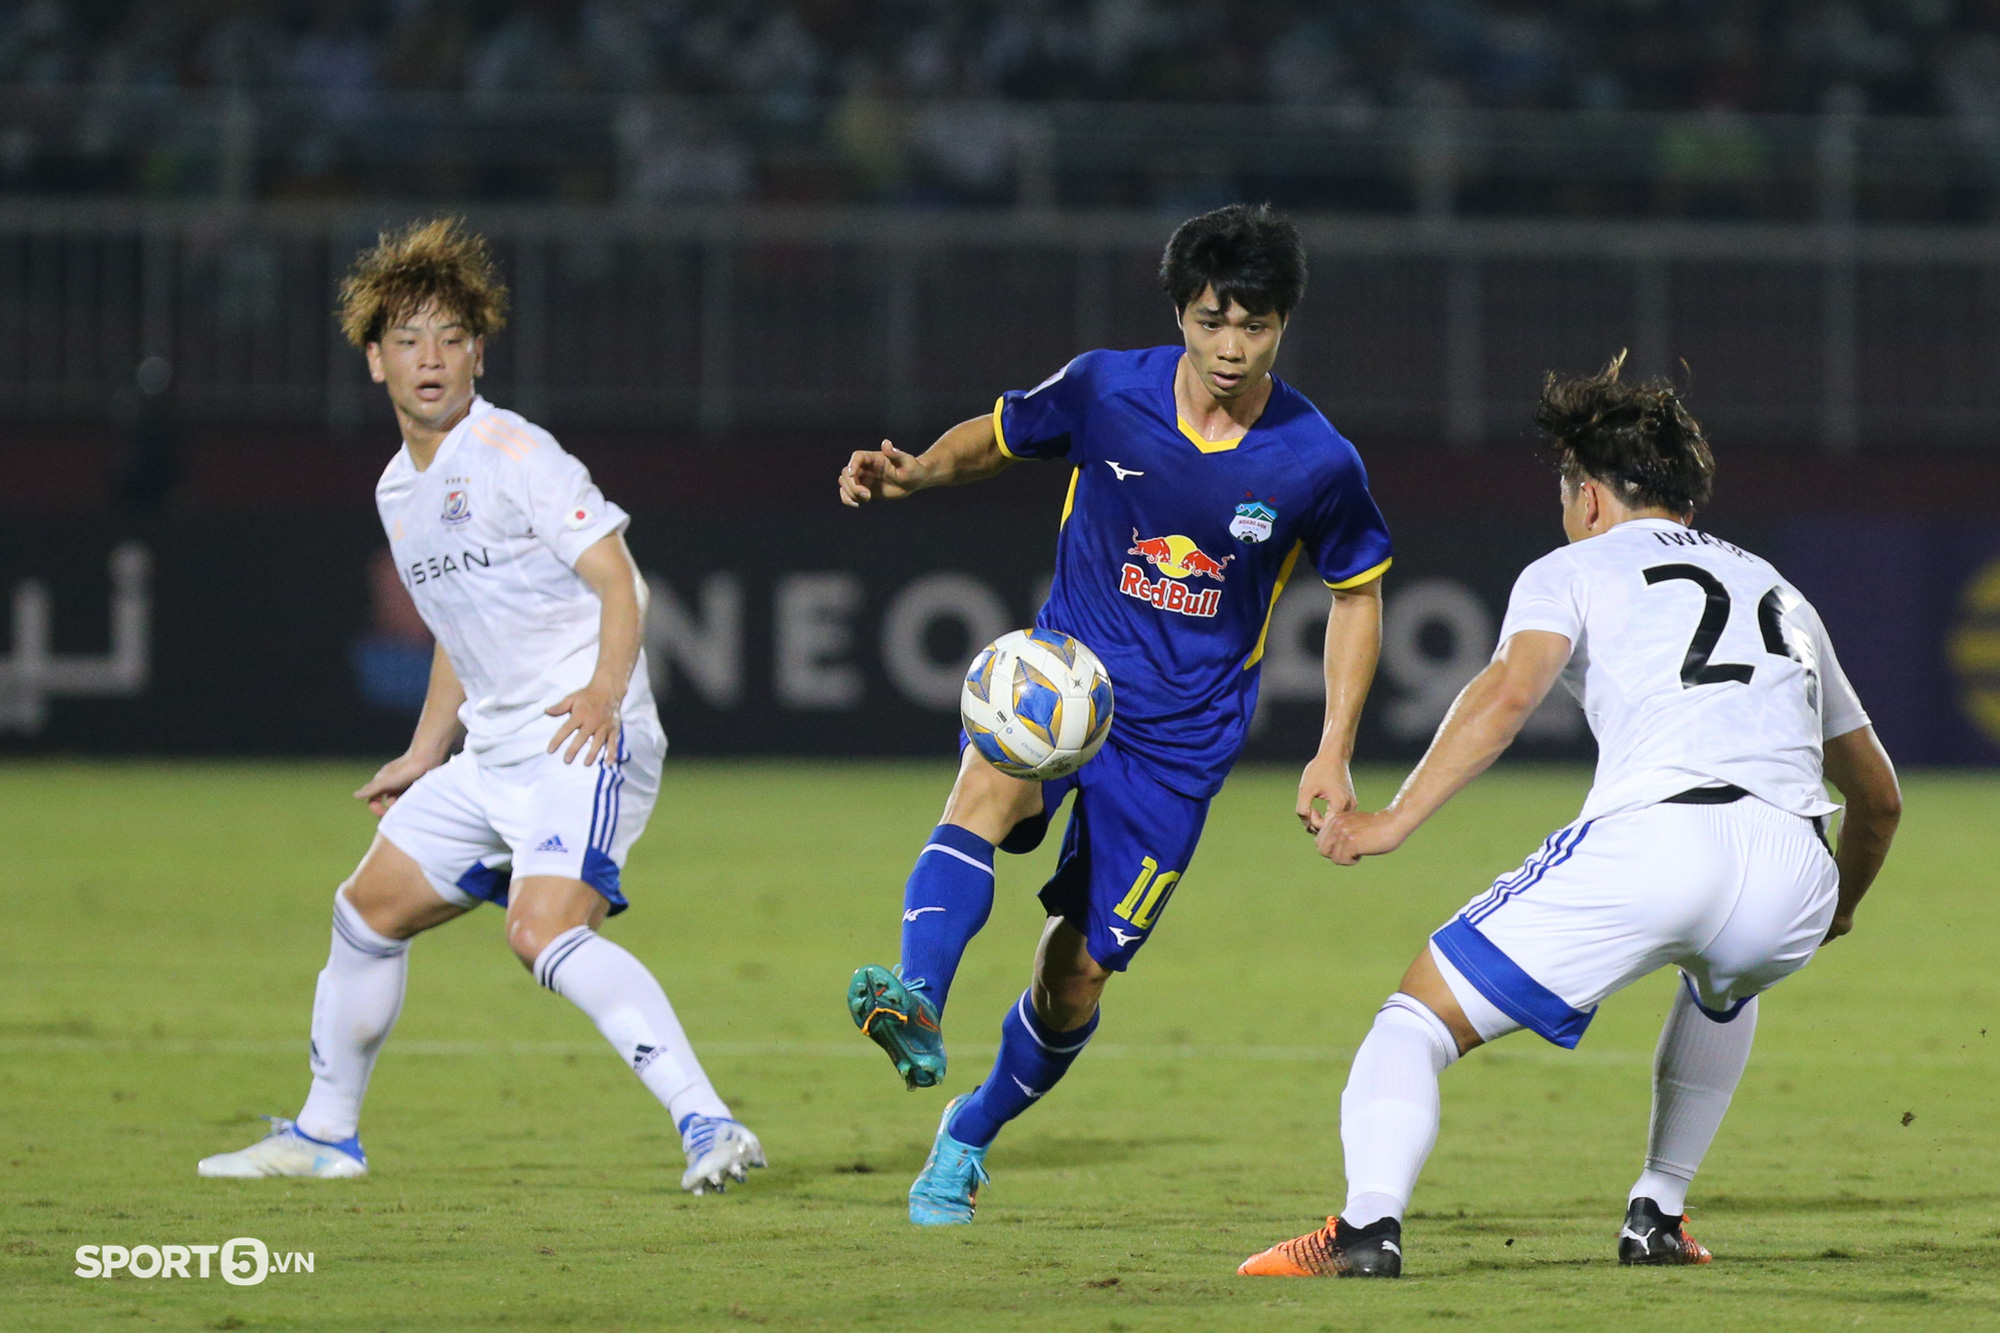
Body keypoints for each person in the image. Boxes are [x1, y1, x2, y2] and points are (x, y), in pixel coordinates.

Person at [1239, 353, 1902, 1278]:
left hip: (1659, 840)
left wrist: (1392, 819)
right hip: (1796, 864)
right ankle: (1658, 1216)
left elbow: (1510, 692)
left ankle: (1363, 1233)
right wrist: (1839, 906)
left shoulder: (1574, 565)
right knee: (1726, 982)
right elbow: (1879, 798)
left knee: (1415, 1019)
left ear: (1590, 497)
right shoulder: (1780, 590)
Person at [836, 203, 1394, 1225]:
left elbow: (1356, 594)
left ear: (1282, 325)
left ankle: (966, 1131)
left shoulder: (1315, 460)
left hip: (1178, 743)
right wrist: (916, 468)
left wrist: (1332, 748)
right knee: (988, 783)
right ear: (1180, 310)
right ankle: (913, 994)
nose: (1231, 347)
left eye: (1255, 326)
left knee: (1076, 976)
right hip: (1064, 677)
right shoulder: (1105, 388)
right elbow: (1001, 437)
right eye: (1212, 319)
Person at [197, 219, 763, 1194]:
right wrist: (425, 752)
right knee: (366, 909)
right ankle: (327, 1135)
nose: (431, 356)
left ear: (477, 353)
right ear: (373, 360)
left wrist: (598, 691)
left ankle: (710, 1124)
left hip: (580, 732)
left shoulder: (515, 452)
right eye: (409, 338)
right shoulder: (396, 490)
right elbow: (460, 632)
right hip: (497, 746)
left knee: (541, 930)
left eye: (451, 336)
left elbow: (621, 583)